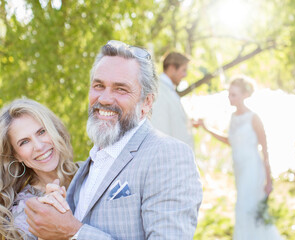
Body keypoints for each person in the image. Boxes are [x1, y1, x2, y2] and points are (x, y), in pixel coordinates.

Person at [25, 40, 203, 240]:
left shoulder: (168, 155)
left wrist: (74, 231)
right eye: (99, 85)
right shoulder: (91, 162)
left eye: (121, 89)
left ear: (146, 102)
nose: (105, 99)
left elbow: (74, 231)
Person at [196, 76, 282, 240]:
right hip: (239, 168)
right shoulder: (234, 117)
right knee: (245, 206)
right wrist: (206, 128)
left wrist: (268, 178)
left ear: (244, 95)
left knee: (246, 206)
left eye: (233, 94)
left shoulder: (254, 118)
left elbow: (265, 148)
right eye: (229, 94)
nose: (230, 97)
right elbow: (230, 141)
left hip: (252, 168)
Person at [0, 99, 78, 240]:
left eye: (42, 132)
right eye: (24, 142)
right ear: (16, 156)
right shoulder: (23, 214)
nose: (39, 146)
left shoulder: (91, 170)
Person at [151, 52, 194, 148]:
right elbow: (160, 131)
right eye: (183, 70)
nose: (185, 75)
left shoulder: (168, 90)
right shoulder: (159, 91)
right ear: (171, 68)